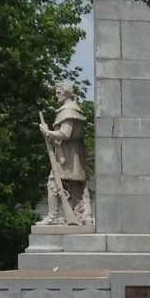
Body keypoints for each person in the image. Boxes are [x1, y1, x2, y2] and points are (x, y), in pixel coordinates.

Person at [38, 83, 93, 226]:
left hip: (68, 152)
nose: (56, 95)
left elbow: (65, 133)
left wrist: (48, 132)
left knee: (53, 181)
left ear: (67, 93)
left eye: (58, 92)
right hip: (72, 151)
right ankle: (83, 216)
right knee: (76, 184)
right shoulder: (73, 109)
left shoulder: (68, 111)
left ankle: (53, 216)